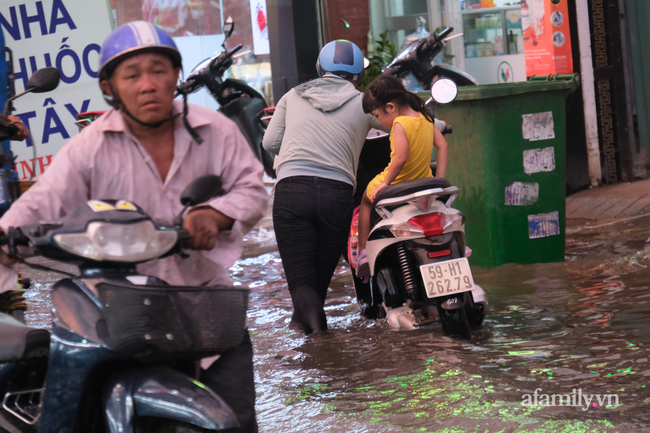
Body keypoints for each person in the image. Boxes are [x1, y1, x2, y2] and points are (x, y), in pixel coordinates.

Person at [0, 21, 267, 432]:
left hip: (205, 312)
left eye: (159, 70)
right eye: (133, 74)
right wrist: (5, 238)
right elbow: (41, 203)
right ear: (110, 87)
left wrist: (217, 213)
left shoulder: (216, 131)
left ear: (175, 75)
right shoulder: (89, 147)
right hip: (120, 317)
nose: (148, 84)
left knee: (236, 422)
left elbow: (252, 190)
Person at [262, 40, 390, 336]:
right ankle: (315, 346)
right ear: (357, 75)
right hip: (337, 197)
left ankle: (320, 345)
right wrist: (438, 123)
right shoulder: (364, 103)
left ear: (319, 68)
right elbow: (402, 124)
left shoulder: (293, 96)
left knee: (303, 284)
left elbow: (269, 143)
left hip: (292, 193)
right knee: (317, 284)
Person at [356, 74, 449, 281]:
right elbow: (443, 145)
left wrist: (386, 182)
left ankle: (363, 253)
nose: (379, 121)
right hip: (425, 182)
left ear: (390, 107)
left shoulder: (399, 123)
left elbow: (400, 158)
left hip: (398, 183)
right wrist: (438, 180)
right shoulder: (426, 118)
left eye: (378, 116)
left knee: (364, 200)